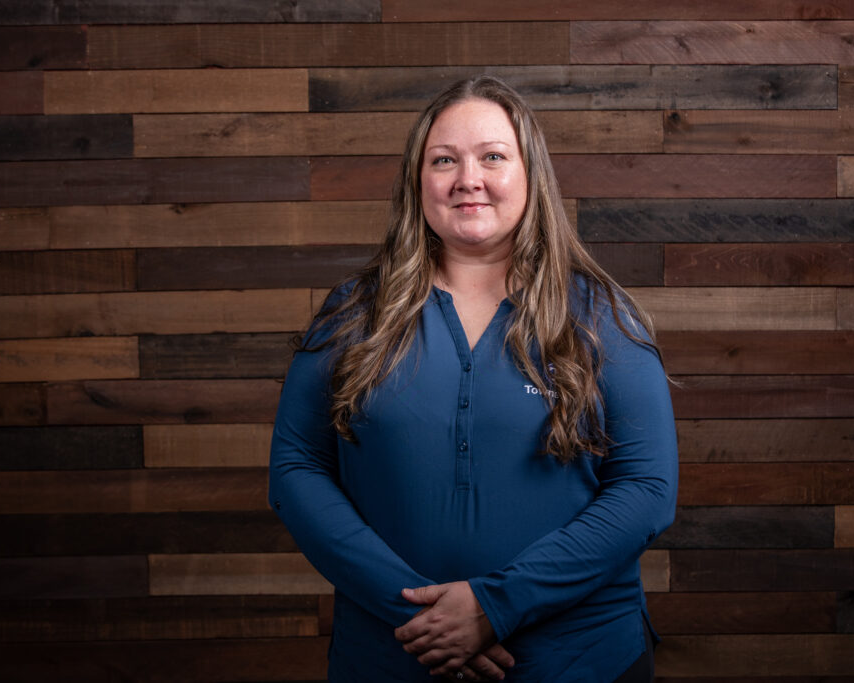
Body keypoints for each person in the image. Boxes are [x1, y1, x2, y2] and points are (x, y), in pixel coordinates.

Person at [269, 75, 678, 682]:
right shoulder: (354, 313)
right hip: (395, 653)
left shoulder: (600, 318)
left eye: (492, 156)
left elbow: (647, 487)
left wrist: (497, 605)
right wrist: (420, 614)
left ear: (530, 175)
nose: (469, 179)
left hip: (575, 660)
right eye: (444, 160)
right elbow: (297, 469)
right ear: (418, 182)